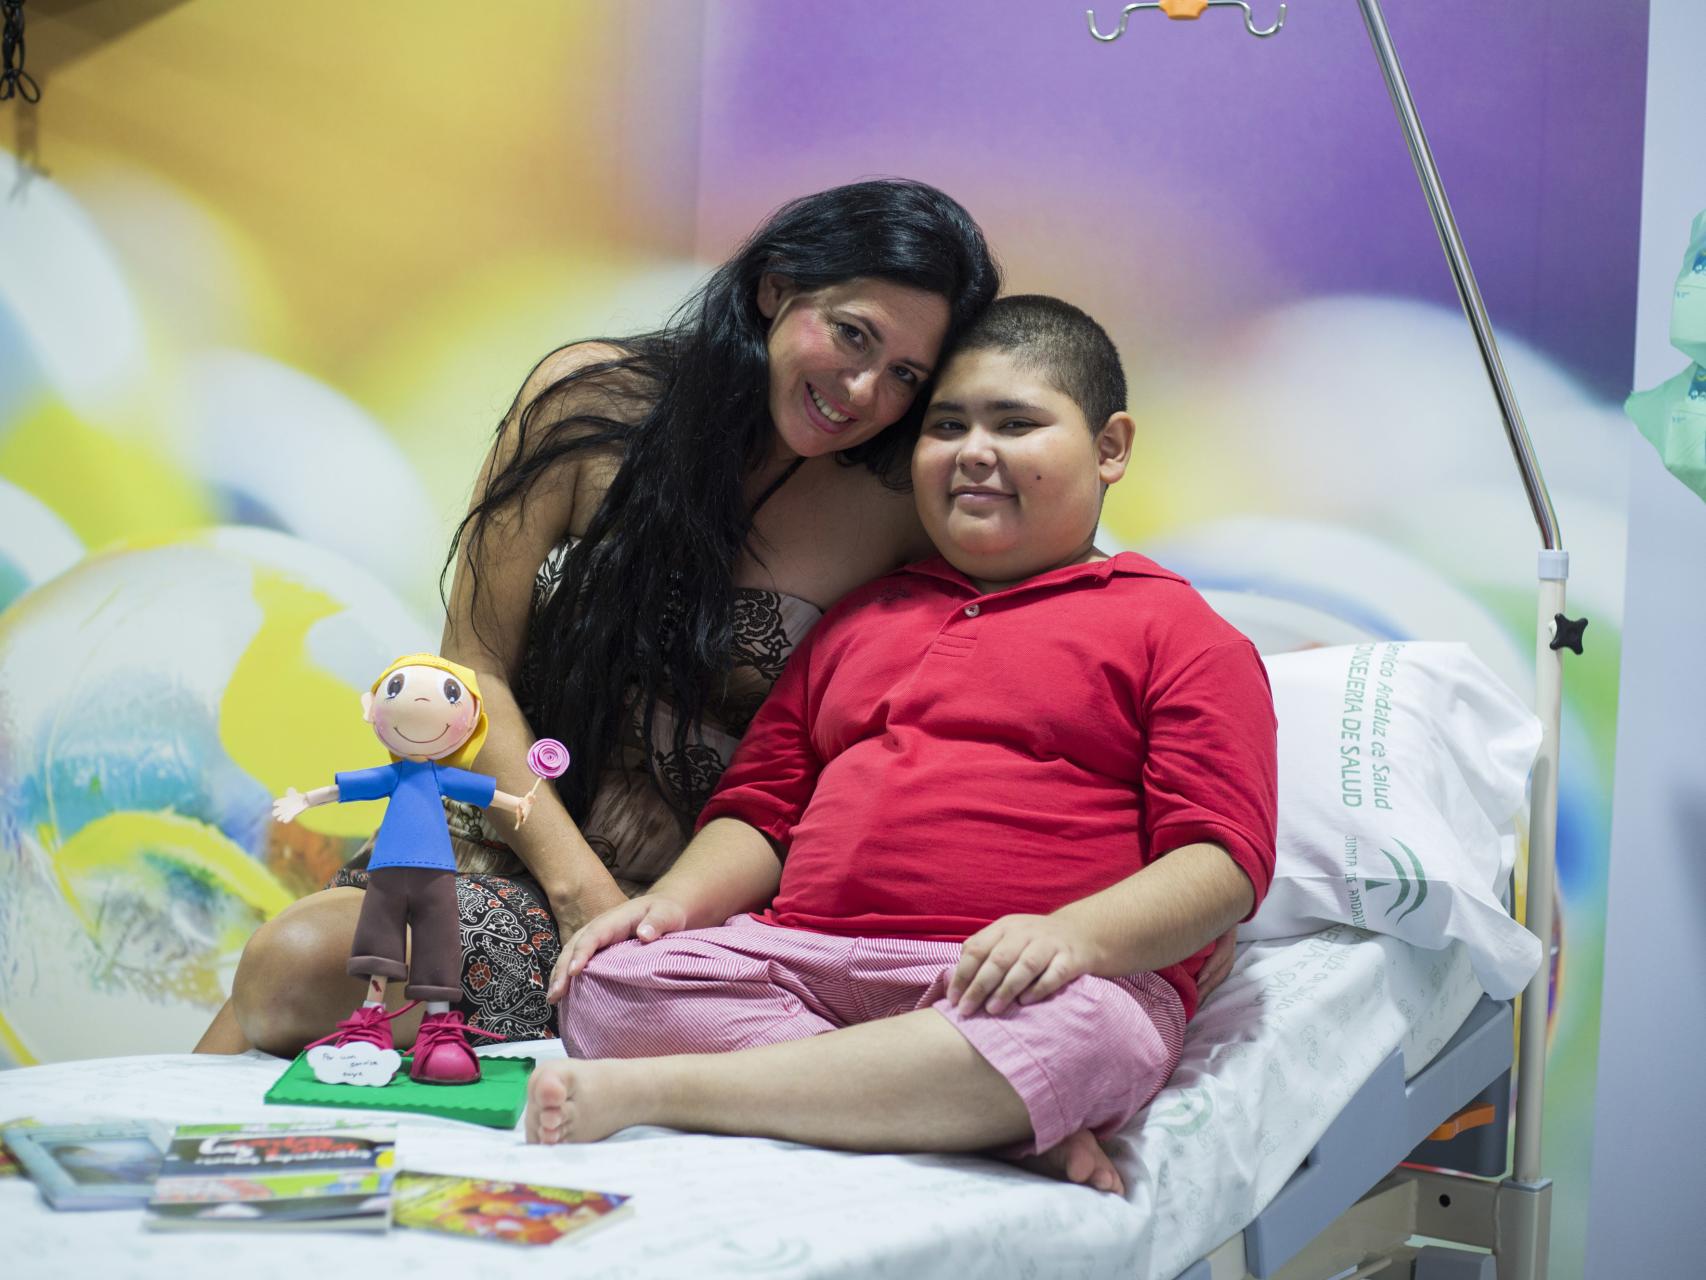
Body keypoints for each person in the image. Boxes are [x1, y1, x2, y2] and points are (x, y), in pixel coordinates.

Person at [195, 179, 1002, 1057]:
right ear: (777, 288)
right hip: (509, 835)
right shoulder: (591, 403)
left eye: (905, 375)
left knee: (297, 967)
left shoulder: (897, 507)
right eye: (852, 334)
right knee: (283, 974)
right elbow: (471, 670)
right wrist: (577, 884)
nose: (861, 389)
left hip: (685, 917)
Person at [524, 296, 1279, 1194]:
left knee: (1091, 1035)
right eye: (946, 425)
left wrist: (1073, 938)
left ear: (1111, 447)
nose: (973, 451)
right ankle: (954, 1112)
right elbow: (760, 815)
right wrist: (671, 908)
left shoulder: (1179, 630)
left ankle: (672, 1090)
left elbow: (1223, 860)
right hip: (802, 962)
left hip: (1022, 982)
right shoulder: (860, 617)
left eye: (1017, 423)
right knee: (615, 983)